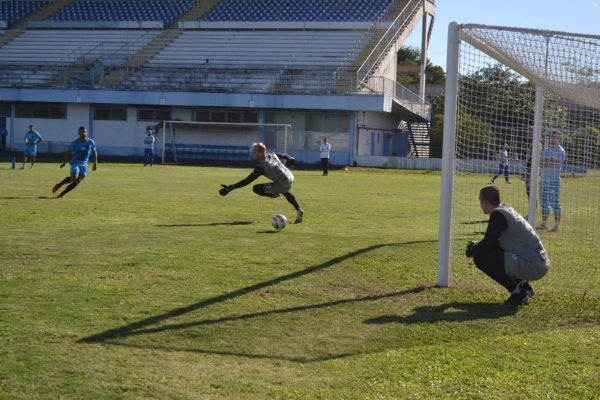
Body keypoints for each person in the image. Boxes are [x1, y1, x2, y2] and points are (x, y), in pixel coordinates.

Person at [466, 186, 549, 307]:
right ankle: (524, 287)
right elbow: (494, 243)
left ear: (485, 202)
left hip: (533, 265)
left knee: (480, 257)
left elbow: (489, 242)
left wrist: (474, 249)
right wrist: (478, 246)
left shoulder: (497, 214)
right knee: (489, 251)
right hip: (539, 261)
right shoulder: (507, 209)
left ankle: (518, 292)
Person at [219, 143, 304, 223]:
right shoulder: (272, 155)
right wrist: (291, 159)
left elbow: (247, 181)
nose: (253, 153)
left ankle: (272, 194)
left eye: (254, 152)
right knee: (284, 190)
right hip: (291, 177)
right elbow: (285, 156)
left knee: (256, 188)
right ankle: (299, 210)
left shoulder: (261, 167)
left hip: (283, 183)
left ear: (261, 153)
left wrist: (230, 188)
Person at [51, 126, 97, 198]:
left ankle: (62, 194)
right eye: (81, 132)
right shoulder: (75, 143)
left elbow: (94, 152)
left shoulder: (91, 142)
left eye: (84, 131)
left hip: (84, 164)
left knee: (77, 181)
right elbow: (67, 153)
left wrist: (95, 164)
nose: (83, 133)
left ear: (86, 132)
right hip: (76, 163)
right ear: (78, 133)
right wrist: (63, 163)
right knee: (74, 178)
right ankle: (59, 185)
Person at [538, 130, 566, 232]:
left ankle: (556, 225)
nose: (551, 139)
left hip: (554, 181)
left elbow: (550, 163)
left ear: (558, 138)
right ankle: (544, 223)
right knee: (544, 202)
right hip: (544, 180)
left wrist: (545, 162)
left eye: (553, 137)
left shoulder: (561, 151)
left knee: (555, 202)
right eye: (550, 137)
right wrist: (546, 161)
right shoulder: (546, 150)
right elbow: (539, 163)